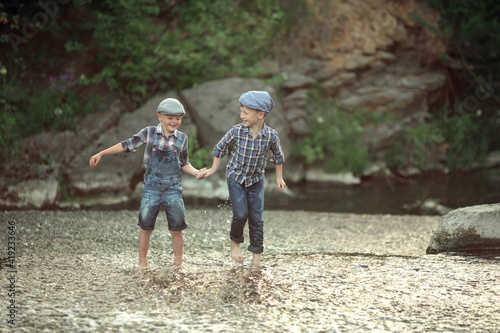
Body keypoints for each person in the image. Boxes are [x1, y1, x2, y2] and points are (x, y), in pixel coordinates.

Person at [89, 98, 205, 268]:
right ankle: (142, 261)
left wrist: (195, 172)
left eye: (178, 118)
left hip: (173, 188)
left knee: (177, 227)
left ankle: (178, 262)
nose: (174, 121)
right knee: (146, 225)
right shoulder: (149, 133)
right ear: (159, 116)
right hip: (151, 188)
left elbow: (184, 162)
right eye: (170, 117)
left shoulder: (182, 139)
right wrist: (102, 153)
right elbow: (127, 145)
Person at [201, 91, 286, 267]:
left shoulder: (271, 136)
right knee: (241, 214)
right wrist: (213, 169)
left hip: (256, 181)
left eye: (246, 113)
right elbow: (220, 148)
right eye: (242, 112)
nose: (242, 116)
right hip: (236, 178)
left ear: (260, 115)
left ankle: (256, 257)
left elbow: (278, 157)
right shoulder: (237, 131)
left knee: (257, 219)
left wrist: (279, 177)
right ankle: (235, 242)